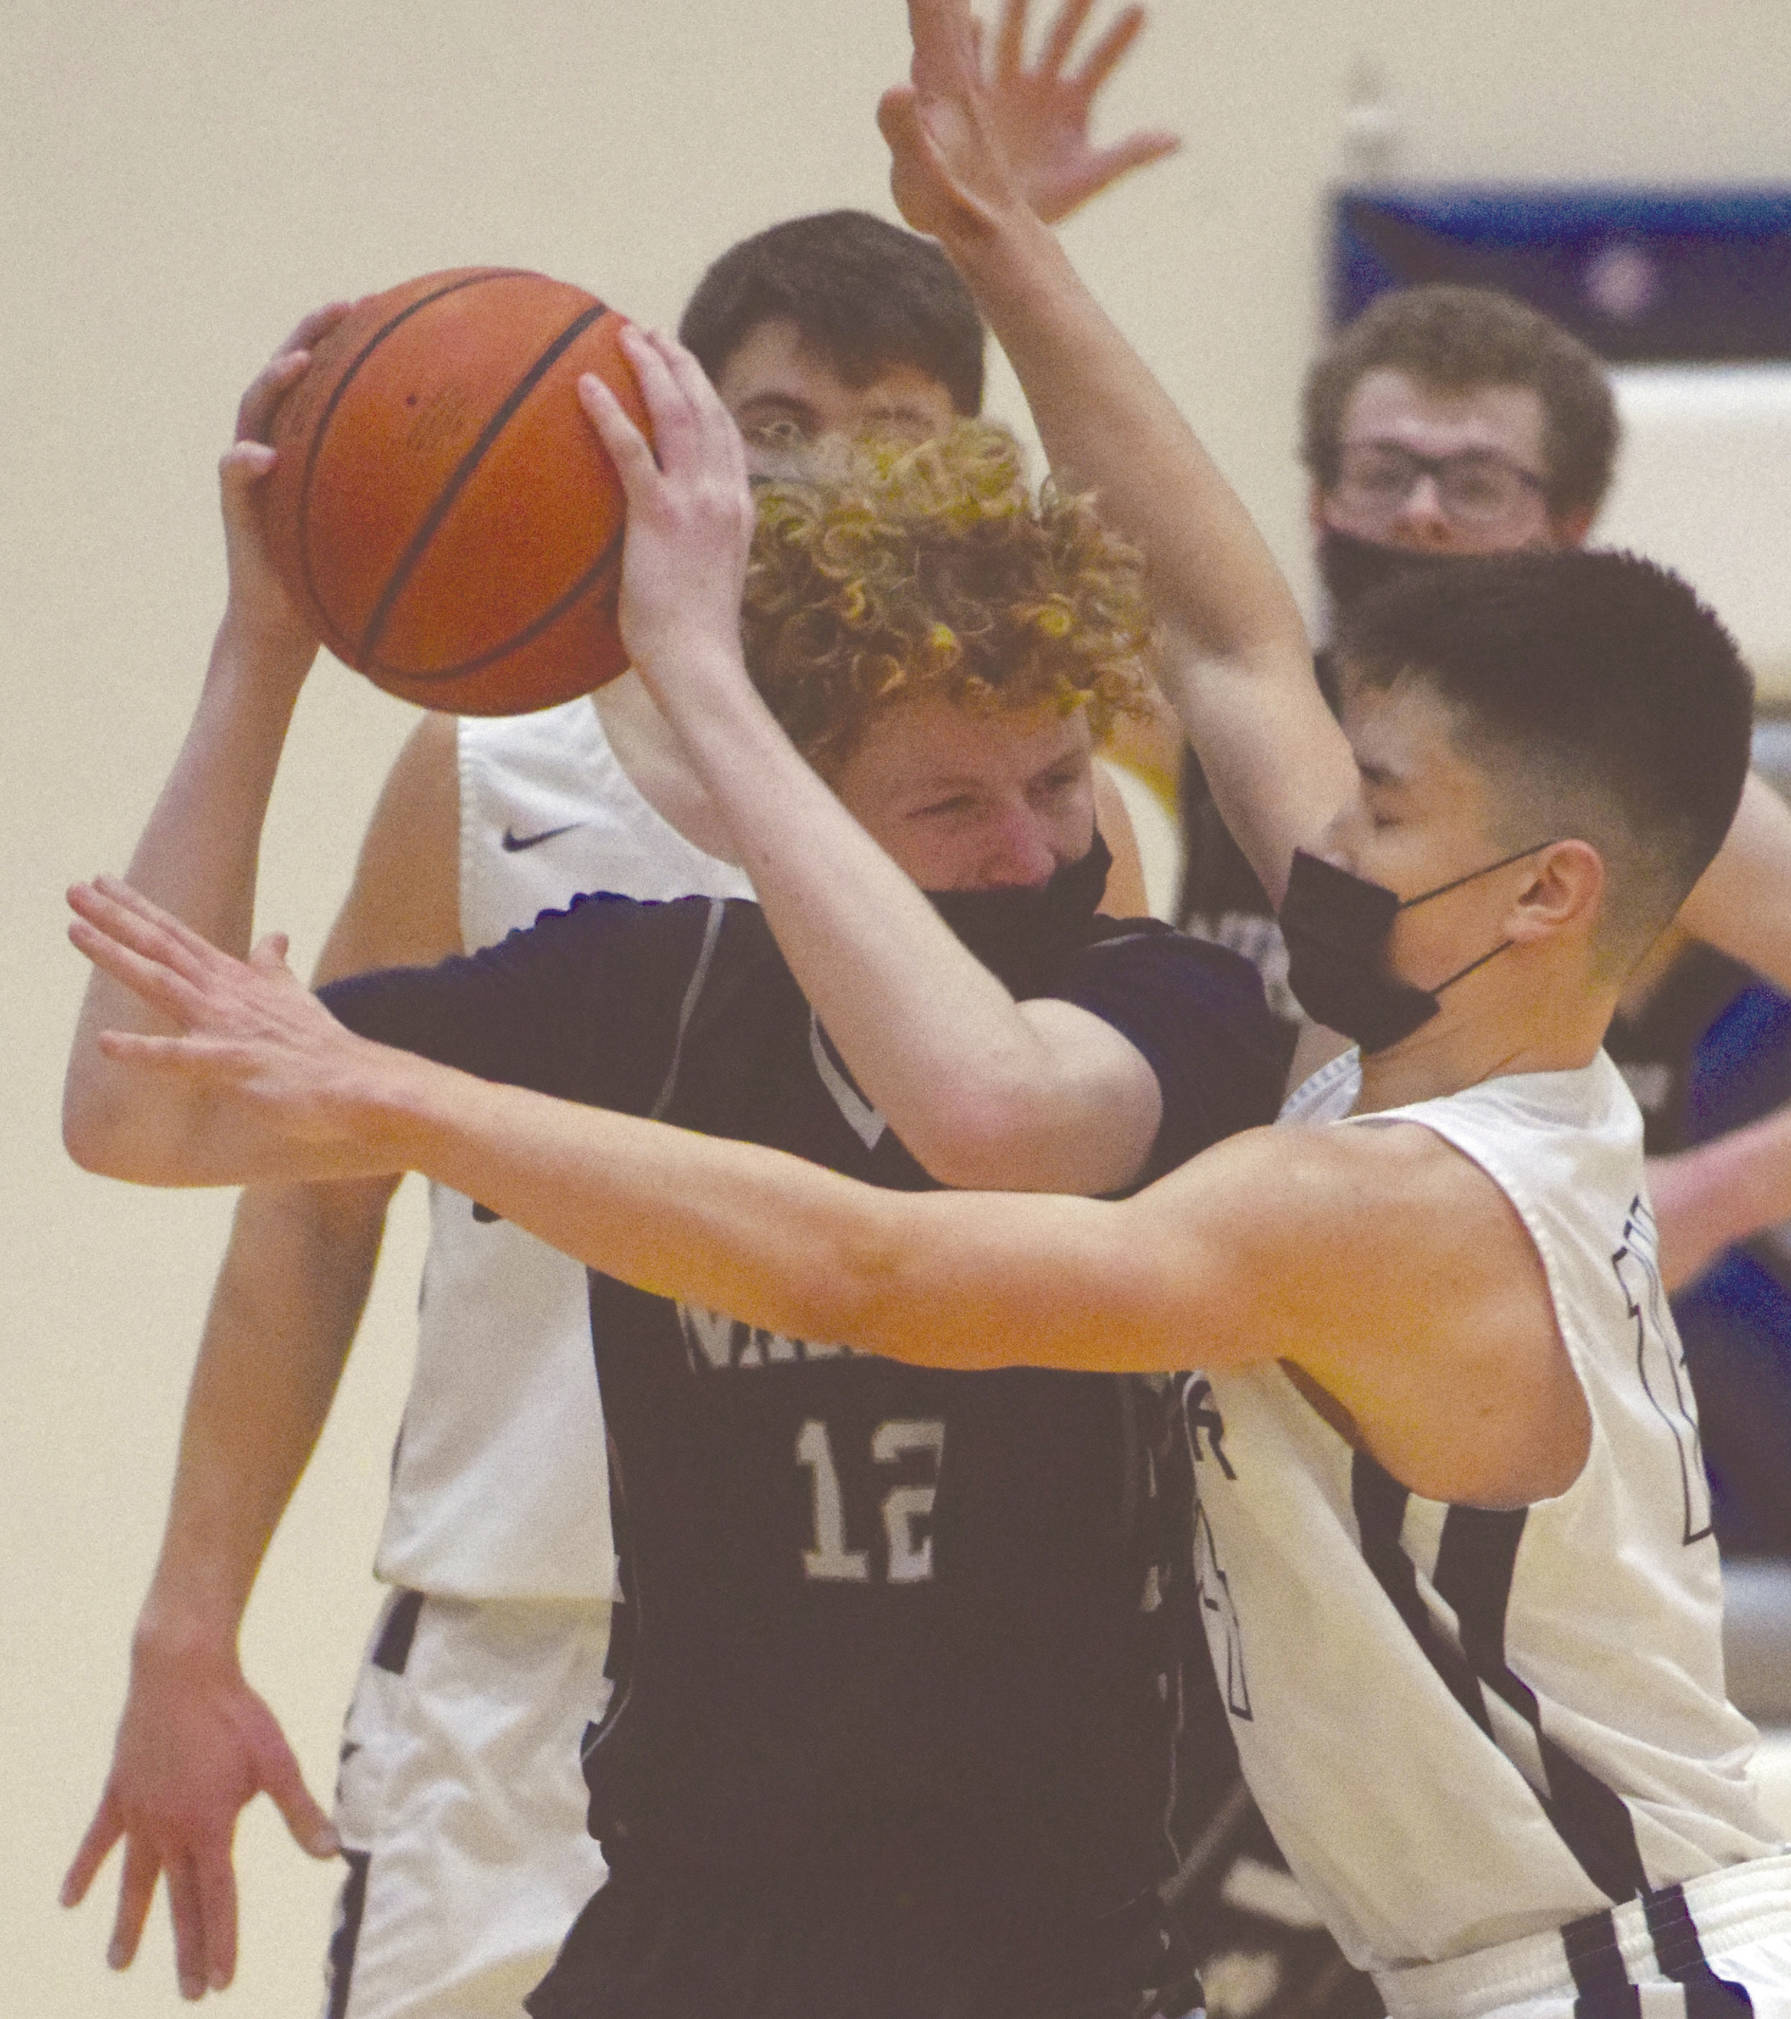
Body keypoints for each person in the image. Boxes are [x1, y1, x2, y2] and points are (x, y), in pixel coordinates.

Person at [59, 9, 1791, 2009]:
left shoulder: (1319, 1132)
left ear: (1542, 893)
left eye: (1377, 808)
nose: (1306, 838)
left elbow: (893, 1243)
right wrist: (997, 238)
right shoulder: (1367, 1064)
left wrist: (404, 1088)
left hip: (1546, 1963)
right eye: (951, 802)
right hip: (799, 1892)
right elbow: (1233, 638)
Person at [56, 12, 1181, 2011]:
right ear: (670, 447)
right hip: (524, 1638)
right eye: (776, 423)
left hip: (917, 1695)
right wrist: (187, 1618)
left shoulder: (1048, 834)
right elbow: (267, 1172)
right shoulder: (517, 804)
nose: (827, 475)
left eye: (895, 429)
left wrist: (1016, 251)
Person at [1178, 279, 1791, 1295]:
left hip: (1505, 1305)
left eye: (1476, 484)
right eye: (1383, 472)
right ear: (1318, 498)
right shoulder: (1223, 712)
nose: (1420, 512)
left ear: (1567, 525)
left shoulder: (1626, 780)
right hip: (1233, 1286)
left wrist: (1707, 1197)